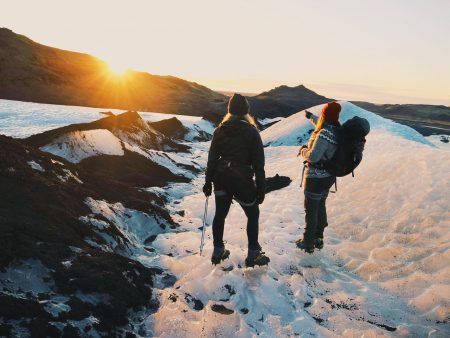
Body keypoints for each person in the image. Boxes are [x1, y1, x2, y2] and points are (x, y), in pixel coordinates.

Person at [203, 93, 270, 267]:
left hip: (221, 177)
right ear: (246, 111)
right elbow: (258, 165)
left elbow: (212, 159)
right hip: (241, 180)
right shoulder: (251, 131)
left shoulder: (220, 130)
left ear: (230, 110)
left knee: (220, 215)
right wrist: (261, 189)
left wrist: (207, 182)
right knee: (253, 214)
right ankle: (253, 254)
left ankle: (218, 251)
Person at [296, 102, 341, 253]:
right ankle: (318, 238)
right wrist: (310, 116)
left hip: (316, 177)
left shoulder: (324, 133)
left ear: (325, 115)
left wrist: (303, 150)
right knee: (320, 205)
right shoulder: (337, 130)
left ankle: (308, 242)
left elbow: (314, 157)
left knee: (311, 209)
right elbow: (319, 122)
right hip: (328, 177)